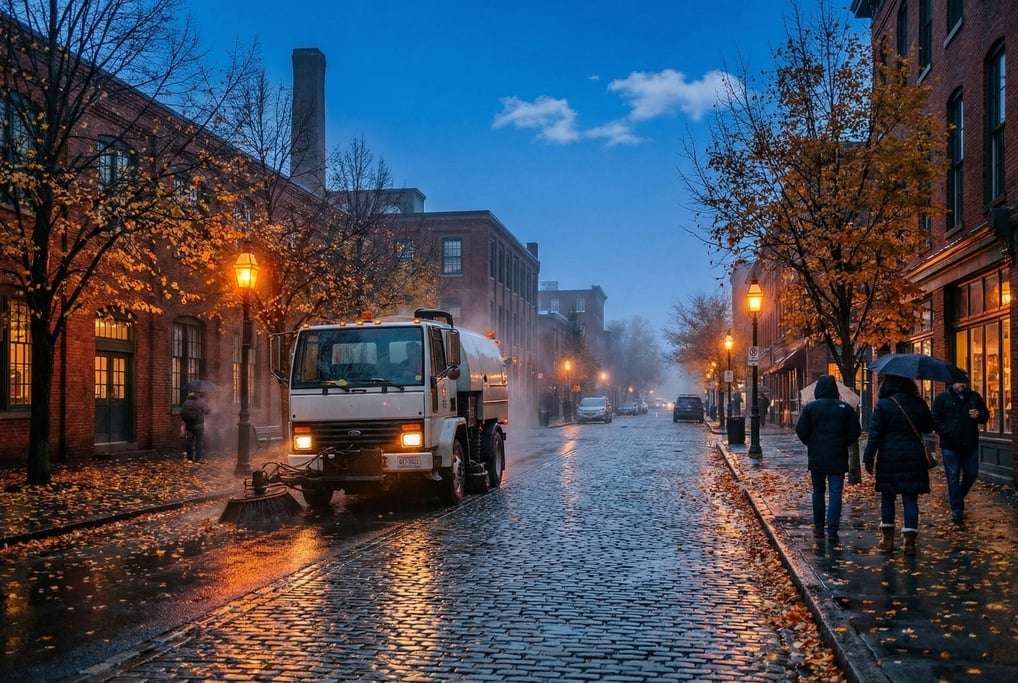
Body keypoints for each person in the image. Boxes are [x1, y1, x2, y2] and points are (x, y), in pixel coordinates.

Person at [862, 375, 935, 556]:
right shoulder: (918, 403)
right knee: (910, 499)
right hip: (913, 456)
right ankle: (910, 543)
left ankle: (887, 541)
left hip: (889, 456)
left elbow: (874, 434)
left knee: (888, 497)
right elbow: (928, 427)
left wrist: (868, 457)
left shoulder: (883, 405)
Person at [795, 375, 862, 544]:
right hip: (838, 456)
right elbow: (855, 431)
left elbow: (801, 430)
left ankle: (819, 528)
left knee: (818, 491)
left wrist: (811, 443)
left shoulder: (811, 408)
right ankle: (832, 530)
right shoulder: (845, 409)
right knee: (835, 493)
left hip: (817, 456)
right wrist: (843, 442)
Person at [932, 376, 989, 522]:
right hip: (950, 445)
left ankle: (957, 496)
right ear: (953, 383)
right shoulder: (942, 398)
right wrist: (946, 432)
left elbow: (985, 415)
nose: (962, 385)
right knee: (953, 476)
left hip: (970, 443)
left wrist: (979, 415)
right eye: (959, 382)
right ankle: (957, 510)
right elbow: (935, 418)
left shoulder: (975, 397)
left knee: (972, 473)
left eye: (965, 382)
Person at [180, 391, 210, 463]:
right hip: (199, 426)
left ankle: (190, 459)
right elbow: (207, 411)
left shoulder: (186, 402)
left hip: (189, 426)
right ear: (197, 395)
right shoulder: (201, 402)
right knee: (198, 442)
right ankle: (198, 459)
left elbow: (182, 412)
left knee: (189, 441)